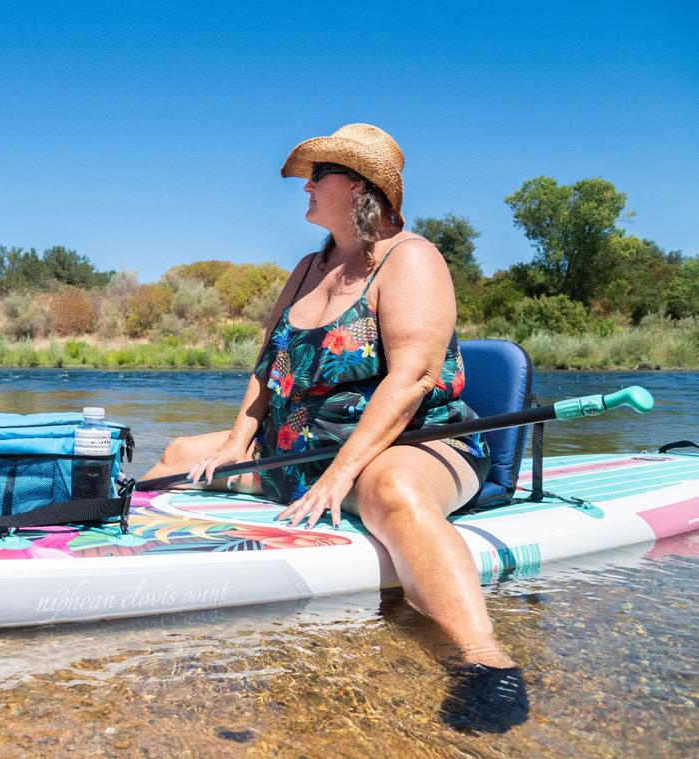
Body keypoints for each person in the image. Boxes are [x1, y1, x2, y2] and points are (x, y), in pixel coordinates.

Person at [143, 124, 528, 732]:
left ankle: (484, 661)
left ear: (360, 187)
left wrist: (342, 473)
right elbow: (269, 366)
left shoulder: (412, 258)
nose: (307, 184)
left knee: (391, 492)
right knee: (179, 455)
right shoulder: (307, 266)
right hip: (295, 452)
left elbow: (414, 376)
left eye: (320, 173)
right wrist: (238, 442)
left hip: (410, 444)